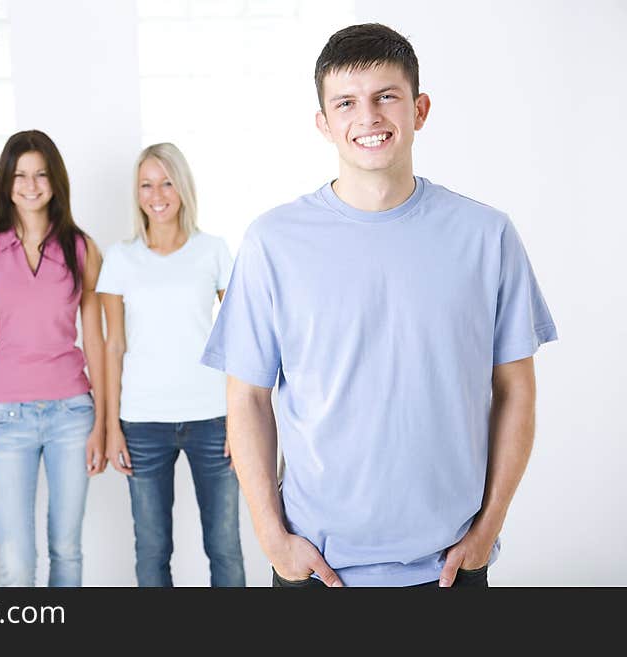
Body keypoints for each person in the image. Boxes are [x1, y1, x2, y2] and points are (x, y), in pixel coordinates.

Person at [201, 23, 557, 587]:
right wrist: (273, 540)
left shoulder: (487, 236)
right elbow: (246, 397)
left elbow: (517, 389)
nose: (367, 117)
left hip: (450, 565)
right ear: (323, 123)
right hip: (315, 569)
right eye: (346, 102)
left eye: (385, 96)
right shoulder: (273, 241)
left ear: (420, 109)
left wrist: (488, 528)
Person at [98, 143, 245, 587]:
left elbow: (241, 339)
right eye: (146, 184)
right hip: (142, 422)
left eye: (166, 182)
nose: (156, 194)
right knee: (152, 550)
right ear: (136, 192)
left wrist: (241, 420)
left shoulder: (213, 251)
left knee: (223, 547)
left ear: (182, 188)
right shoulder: (120, 258)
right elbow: (113, 347)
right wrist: (111, 429)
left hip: (212, 419)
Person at [0, 130, 106, 587]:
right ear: (6, 183)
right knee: (16, 560)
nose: (30, 185)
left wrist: (103, 421)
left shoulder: (82, 249)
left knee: (66, 549)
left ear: (55, 181)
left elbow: (96, 340)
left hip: (72, 414)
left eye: (41, 174)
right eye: (20, 175)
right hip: (5, 418)